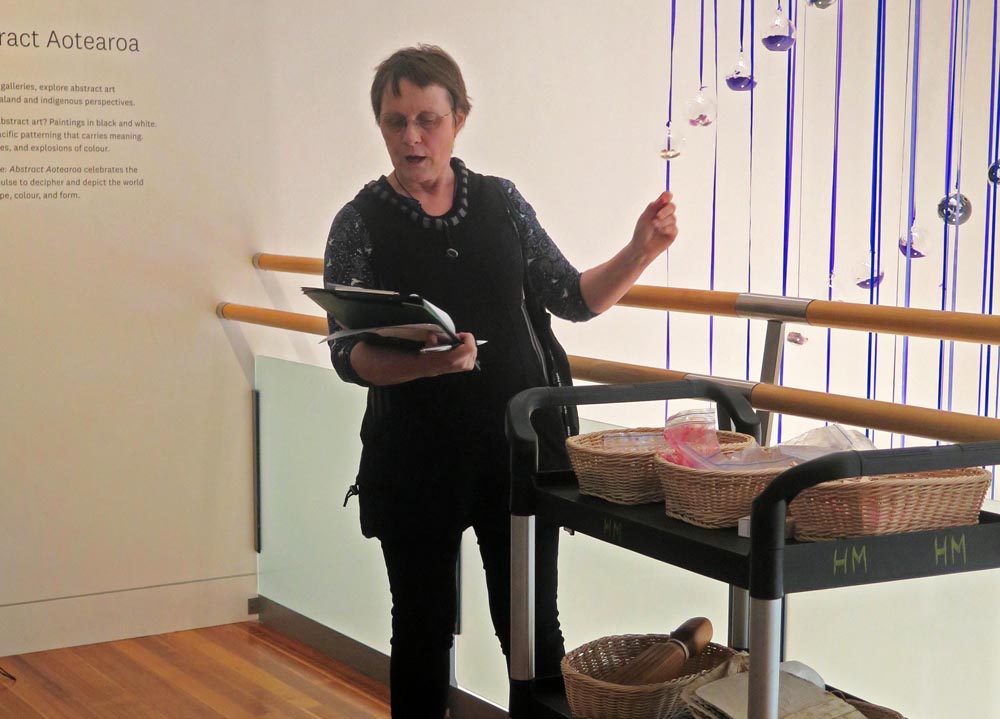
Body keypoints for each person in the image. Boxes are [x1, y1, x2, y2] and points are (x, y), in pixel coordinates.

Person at [324, 44, 678, 719]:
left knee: (532, 633)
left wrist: (641, 250)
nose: (412, 137)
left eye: (427, 119)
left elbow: (571, 296)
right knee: (421, 629)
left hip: (514, 453)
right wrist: (424, 363)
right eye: (396, 121)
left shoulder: (502, 202)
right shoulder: (358, 221)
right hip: (411, 457)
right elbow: (347, 355)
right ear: (380, 124)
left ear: (459, 118)